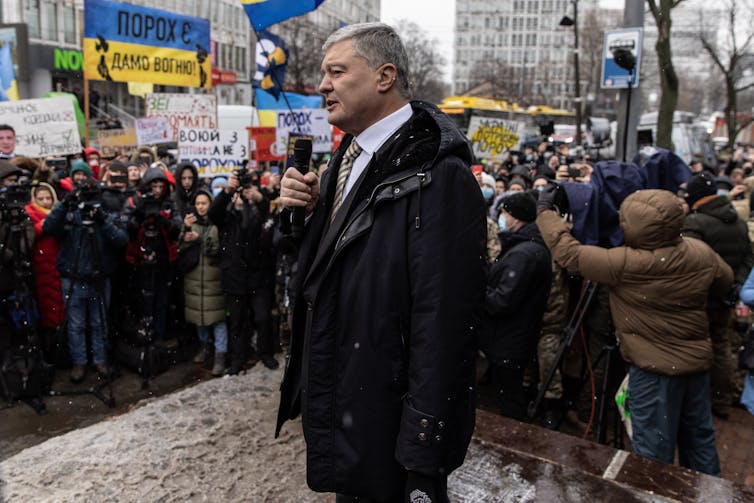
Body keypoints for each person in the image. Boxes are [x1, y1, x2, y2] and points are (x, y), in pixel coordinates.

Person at [277, 23, 486, 502]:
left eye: (336, 71)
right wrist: (304, 220)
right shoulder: (349, 160)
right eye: (322, 74)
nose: (322, 86)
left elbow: (446, 326)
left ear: (384, 76)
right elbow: (330, 275)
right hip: (351, 406)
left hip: (389, 425)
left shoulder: (440, 175)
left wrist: (423, 446)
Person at [536, 185, 733, 476]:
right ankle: (707, 492)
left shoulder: (627, 263)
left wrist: (544, 212)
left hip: (654, 371)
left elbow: (570, 254)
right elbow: (725, 281)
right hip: (696, 365)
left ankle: (652, 493)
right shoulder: (700, 252)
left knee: (653, 452)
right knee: (699, 441)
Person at [682, 172, 754, 418]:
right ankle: (721, 402)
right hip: (726, 297)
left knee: (697, 350)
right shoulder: (738, 222)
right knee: (721, 348)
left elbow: (692, 262)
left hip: (701, 299)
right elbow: (748, 258)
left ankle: (696, 403)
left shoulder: (696, 222)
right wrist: (735, 286)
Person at [43, 178, 128, 382]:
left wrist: (102, 220)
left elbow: (121, 239)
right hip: (73, 275)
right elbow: (48, 228)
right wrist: (63, 204)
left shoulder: (104, 212)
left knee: (99, 322)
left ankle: (100, 360)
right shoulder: (70, 213)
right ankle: (79, 363)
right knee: (76, 324)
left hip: (99, 276)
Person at [481, 192, 551, 421]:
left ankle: (513, 435)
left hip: (509, 339)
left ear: (515, 217)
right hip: (514, 336)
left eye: (504, 213)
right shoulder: (525, 247)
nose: (501, 217)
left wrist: (477, 294)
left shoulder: (524, 255)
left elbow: (503, 301)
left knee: (509, 396)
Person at [208, 172, 278, 374]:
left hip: (258, 277)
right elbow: (214, 212)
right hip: (234, 278)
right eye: (239, 193)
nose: (241, 196)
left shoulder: (258, 212)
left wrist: (259, 198)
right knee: (237, 321)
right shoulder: (227, 218)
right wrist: (228, 191)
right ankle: (238, 358)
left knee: (262, 318)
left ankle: (266, 353)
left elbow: (273, 216)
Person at [180, 190, 227, 376]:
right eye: (198, 203)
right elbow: (180, 248)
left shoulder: (217, 224)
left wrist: (199, 239)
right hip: (194, 281)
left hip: (213, 281)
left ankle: (220, 356)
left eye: (204, 203)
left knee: (217, 321)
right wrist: (185, 230)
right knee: (199, 319)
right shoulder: (190, 223)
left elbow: (215, 249)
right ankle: (205, 347)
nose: (200, 207)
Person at [24, 183, 63, 357]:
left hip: (59, 263)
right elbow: (30, 237)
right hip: (43, 266)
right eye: (41, 199)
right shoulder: (30, 214)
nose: (46, 202)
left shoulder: (60, 211)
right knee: (48, 307)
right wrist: (44, 224)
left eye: (48, 198)